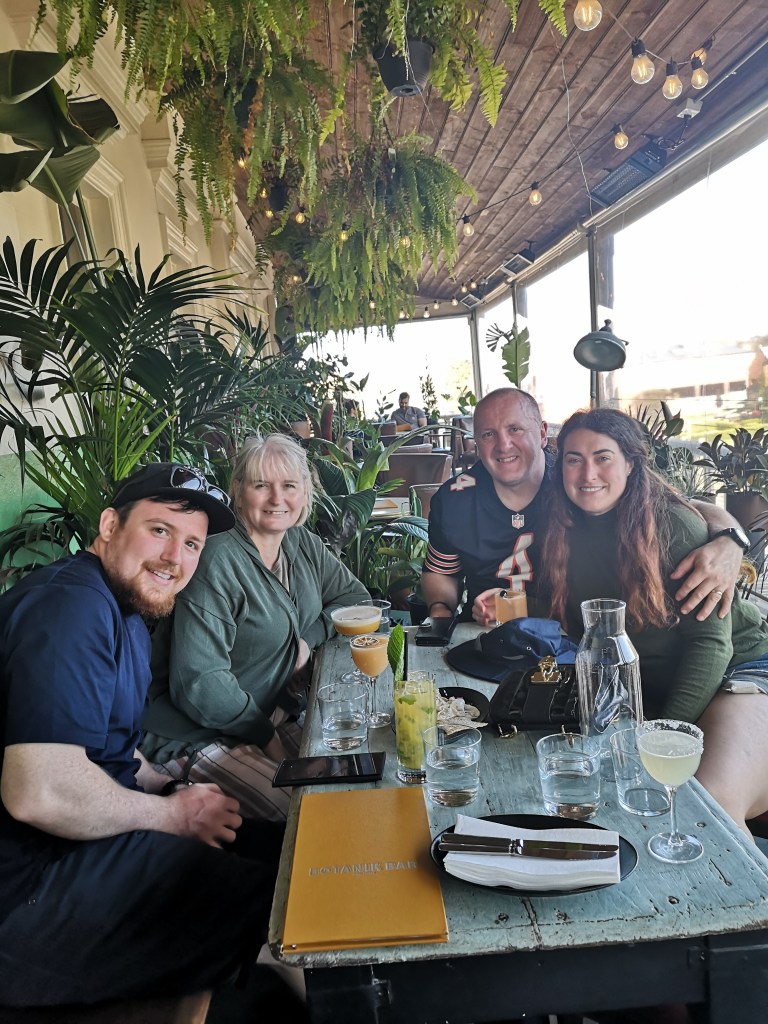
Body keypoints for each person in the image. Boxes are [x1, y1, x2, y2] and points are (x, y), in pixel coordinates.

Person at [0, 463, 284, 1009]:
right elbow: (39, 791)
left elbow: (109, 741)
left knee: (281, 851)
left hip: (79, 846)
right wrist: (172, 817)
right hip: (27, 891)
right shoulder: (69, 608)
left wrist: (167, 787)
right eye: (159, 531)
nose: (175, 558)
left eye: (192, 544)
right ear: (109, 526)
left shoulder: (122, 607)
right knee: (284, 905)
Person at [540, 408, 768, 835]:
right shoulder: (562, 530)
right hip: (650, 688)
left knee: (706, 801)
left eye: (603, 457)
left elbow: (712, 646)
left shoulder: (671, 525)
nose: (587, 472)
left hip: (742, 671)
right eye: (574, 459)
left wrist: (657, 737)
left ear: (630, 463)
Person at [141, 434, 369, 820]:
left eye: (289, 486)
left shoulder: (300, 543)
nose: (277, 499)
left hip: (274, 713)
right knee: (309, 817)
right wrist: (268, 739)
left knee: (358, 776)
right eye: (261, 485)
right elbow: (200, 684)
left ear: (305, 492)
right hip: (197, 735)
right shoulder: (216, 559)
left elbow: (354, 599)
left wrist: (306, 640)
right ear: (238, 491)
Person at [422, 387, 747, 626]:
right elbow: (440, 573)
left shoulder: (577, 481)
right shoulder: (454, 499)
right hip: (484, 628)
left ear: (543, 433)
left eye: (515, 429)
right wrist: (440, 611)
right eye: (488, 434)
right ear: (475, 442)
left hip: (574, 627)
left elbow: (679, 506)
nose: (503, 445)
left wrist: (731, 541)